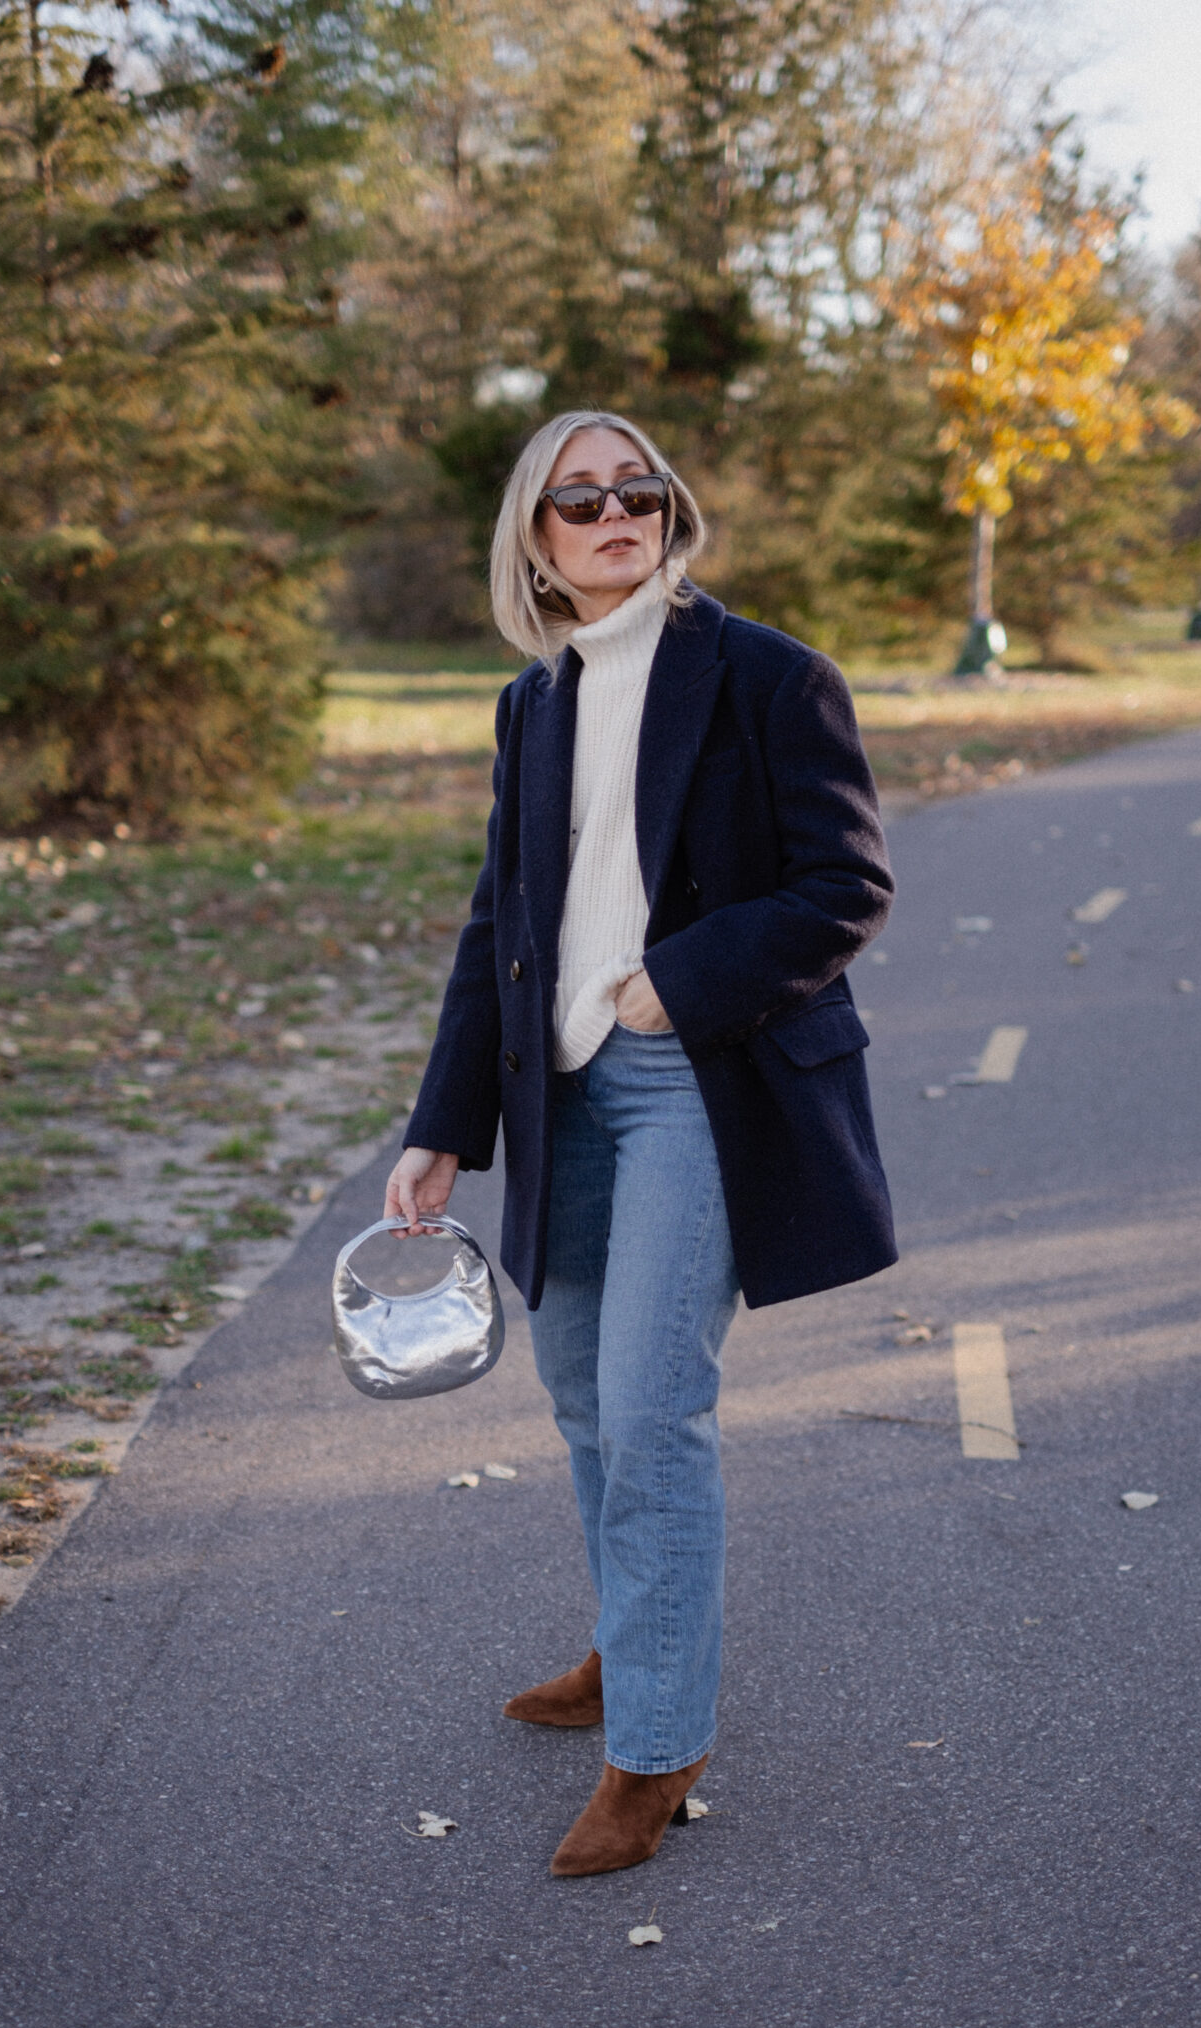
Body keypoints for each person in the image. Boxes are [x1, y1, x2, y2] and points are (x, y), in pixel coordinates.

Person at [385, 409, 896, 1877]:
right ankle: (632, 1640)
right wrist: (443, 1129)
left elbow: (844, 885)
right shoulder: (533, 704)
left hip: (699, 1083)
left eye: (639, 491)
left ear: (673, 508)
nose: (616, 516)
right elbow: (504, 928)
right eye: (578, 502)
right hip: (560, 1093)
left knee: (656, 1405)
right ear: (536, 545)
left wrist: (683, 979)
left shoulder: (767, 676)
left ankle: (656, 1752)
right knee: (584, 1400)